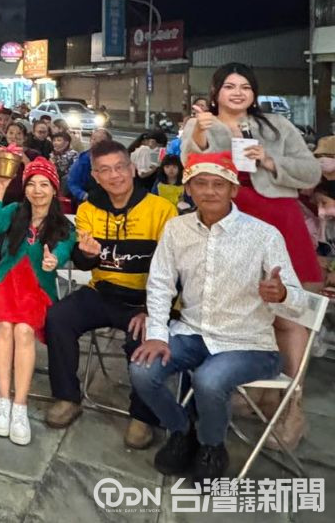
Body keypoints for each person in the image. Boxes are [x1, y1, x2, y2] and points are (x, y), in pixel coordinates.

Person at [129, 153, 306, 483]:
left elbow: (298, 302)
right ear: (189, 188)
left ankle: (212, 447)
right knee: (142, 370)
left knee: (209, 380)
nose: (209, 191)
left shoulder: (264, 235)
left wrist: (282, 294)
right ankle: (182, 431)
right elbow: (160, 283)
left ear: (233, 190)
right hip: (193, 332)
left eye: (218, 185)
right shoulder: (177, 229)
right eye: (201, 184)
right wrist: (156, 334)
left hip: (249, 343)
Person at [179, 62, 321, 448]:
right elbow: (190, 168)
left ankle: (293, 408)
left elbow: (310, 172)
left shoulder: (276, 126)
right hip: (229, 223)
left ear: (254, 93)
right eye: (229, 86)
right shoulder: (201, 126)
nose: (238, 92)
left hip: (279, 220)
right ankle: (260, 392)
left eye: (245, 86)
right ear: (216, 91)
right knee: (243, 308)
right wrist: (204, 135)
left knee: (288, 315)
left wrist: (270, 161)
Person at [44, 139, 176, 449]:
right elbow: (83, 262)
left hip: (144, 300)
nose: (114, 176)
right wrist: (87, 254)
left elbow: (174, 269)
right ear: (95, 175)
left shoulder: (162, 210)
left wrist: (152, 310)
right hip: (101, 292)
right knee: (58, 318)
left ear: (133, 169)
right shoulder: (89, 209)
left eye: (120, 168)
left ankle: (143, 415)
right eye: (105, 170)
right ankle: (67, 397)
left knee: (144, 337)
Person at [0, 158, 76, 445]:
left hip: (37, 288)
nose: (37, 191)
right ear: (24, 189)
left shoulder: (63, 226)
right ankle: (3, 399)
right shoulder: (15, 212)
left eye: (44, 184)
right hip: (5, 281)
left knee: (23, 331)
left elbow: (64, 250)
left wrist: (53, 260)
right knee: (4, 327)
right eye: (32, 184)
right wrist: (0, 190)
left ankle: (20, 405)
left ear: (54, 189)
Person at [66, 127, 112, 204]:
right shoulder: (83, 160)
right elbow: (72, 182)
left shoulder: (115, 159)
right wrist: (83, 195)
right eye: (93, 139)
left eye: (101, 140)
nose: (96, 142)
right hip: (87, 198)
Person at [50, 129, 80, 203]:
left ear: (66, 143)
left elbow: (74, 170)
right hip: (57, 176)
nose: (55, 142)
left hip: (68, 178)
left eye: (59, 140)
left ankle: (61, 198)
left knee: (66, 178)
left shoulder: (73, 153)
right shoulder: (52, 154)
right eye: (54, 140)